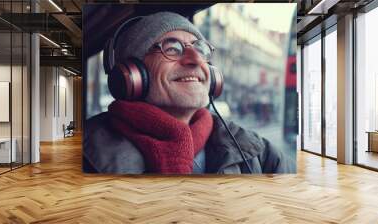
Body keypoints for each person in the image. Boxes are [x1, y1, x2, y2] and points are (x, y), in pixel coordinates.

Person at [83, 11, 295, 174]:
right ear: (132, 74)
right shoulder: (84, 154)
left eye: (200, 49)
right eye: (172, 48)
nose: (195, 60)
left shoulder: (260, 153)